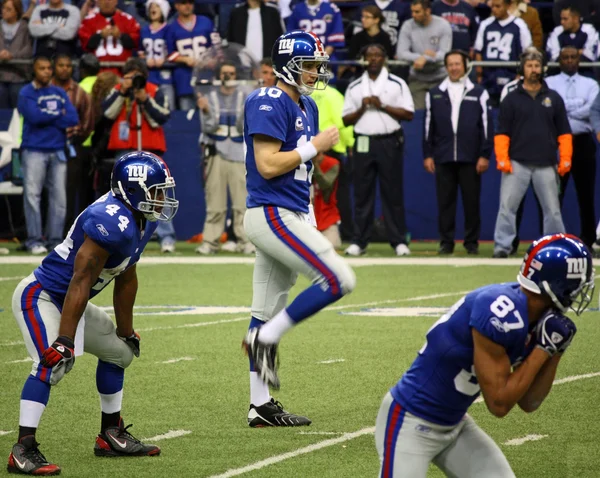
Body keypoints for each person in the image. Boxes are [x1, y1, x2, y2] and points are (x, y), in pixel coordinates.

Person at [7, 151, 179, 476]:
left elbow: (126, 275)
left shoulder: (142, 220)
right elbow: (81, 278)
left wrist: (126, 330)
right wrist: (64, 340)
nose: (162, 199)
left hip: (74, 300)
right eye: (157, 191)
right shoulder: (111, 220)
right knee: (53, 362)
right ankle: (22, 448)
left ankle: (110, 434)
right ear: (136, 190)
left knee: (119, 353)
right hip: (43, 296)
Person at [375, 233, 594, 478]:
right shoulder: (499, 311)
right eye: (578, 284)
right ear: (556, 284)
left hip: (454, 425)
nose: (579, 292)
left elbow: (530, 402)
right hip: (410, 420)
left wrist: (554, 352)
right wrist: (543, 349)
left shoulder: (538, 319)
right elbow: (499, 404)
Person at [242, 30, 356, 426]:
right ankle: (269, 337)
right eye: (309, 65)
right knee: (339, 279)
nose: (315, 73)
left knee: (265, 310)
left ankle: (259, 405)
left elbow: (297, 173)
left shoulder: (305, 107)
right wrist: (314, 147)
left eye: (317, 66)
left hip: (289, 211)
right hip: (271, 212)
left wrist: (307, 213)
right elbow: (268, 164)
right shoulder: (268, 98)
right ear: (288, 65)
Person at [493, 48, 571, 258]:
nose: (534, 70)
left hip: (546, 163)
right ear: (522, 69)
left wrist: (565, 158)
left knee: (553, 211)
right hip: (517, 163)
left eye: (537, 66)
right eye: (529, 66)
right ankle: (502, 247)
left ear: (542, 68)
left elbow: (564, 132)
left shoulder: (554, 98)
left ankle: (556, 248)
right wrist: (502, 158)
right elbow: (502, 132)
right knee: (507, 208)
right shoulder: (511, 99)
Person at [342, 43, 415, 256]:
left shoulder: (396, 83)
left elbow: (409, 114)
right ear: (364, 59)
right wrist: (363, 106)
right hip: (363, 140)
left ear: (385, 59)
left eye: (377, 55)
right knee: (363, 193)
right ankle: (359, 241)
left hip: (389, 141)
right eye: (369, 55)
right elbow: (345, 119)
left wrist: (382, 105)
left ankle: (399, 241)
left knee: (392, 192)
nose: (373, 59)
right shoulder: (355, 86)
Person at [102, 57, 175, 253]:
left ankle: (166, 237)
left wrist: (145, 98)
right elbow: (107, 113)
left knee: (159, 193)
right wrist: (123, 91)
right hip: (125, 149)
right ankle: (118, 234)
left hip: (150, 149)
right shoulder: (118, 90)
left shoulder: (154, 90)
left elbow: (162, 116)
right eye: (129, 77)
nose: (134, 81)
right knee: (121, 194)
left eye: (137, 77)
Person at [423, 50, 492, 255]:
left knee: (471, 202)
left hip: (470, 157)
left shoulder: (479, 92)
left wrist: (484, 155)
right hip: (443, 157)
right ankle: (446, 242)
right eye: (450, 64)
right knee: (445, 203)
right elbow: (428, 127)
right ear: (446, 67)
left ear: (465, 66)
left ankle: (471, 243)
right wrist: (428, 154)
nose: (454, 68)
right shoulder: (434, 93)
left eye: (457, 64)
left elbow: (487, 127)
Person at [18, 56, 79, 255]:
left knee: (59, 199)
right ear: (34, 70)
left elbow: (72, 118)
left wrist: (48, 115)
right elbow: (34, 118)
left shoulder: (59, 92)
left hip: (57, 150)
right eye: (41, 68)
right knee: (32, 196)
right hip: (34, 150)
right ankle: (34, 240)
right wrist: (57, 115)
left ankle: (54, 241)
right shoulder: (26, 92)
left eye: (48, 68)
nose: (46, 71)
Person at [195, 61, 254, 255]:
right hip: (216, 152)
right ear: (219, 75)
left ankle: (246, 241)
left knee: (241, 202)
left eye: (231, 72)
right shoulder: (209, 96)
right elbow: (208, 128)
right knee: (215, 202)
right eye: (224, 73)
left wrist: (246, 109)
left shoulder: (245, 95)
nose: (228, 76)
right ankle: (210, 242)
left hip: (238, 152)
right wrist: (205, 110)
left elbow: (242, 128)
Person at [546, 46, 599, 249]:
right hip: (557, 144)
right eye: (565, 57)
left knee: (586, 194)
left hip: (583, 142)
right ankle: (553, 238)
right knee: (554, 195)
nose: (569, 60)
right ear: (559, 60)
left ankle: (588, 238)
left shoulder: (591, 83)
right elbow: (551, 109)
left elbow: (592, 109)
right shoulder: (550, 82)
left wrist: (563, 111)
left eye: (573, 57)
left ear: (579, 59)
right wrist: (573, 110)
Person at [51, 54, 95, 235]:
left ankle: (65, 235)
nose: (64, 69)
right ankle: (46, 233)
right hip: (45, 145)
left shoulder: (80, 93)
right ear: (55, 67)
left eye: (68, 65)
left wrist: (75, 139)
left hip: (72, 147)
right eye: (61, 65)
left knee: (69, 193)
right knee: (46, 192)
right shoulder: (43, 90)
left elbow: (88, 122)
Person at [397, 0, 452, 110]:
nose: (413, 15)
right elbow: (401, 53)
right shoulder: (408, 25)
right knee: (416, 114)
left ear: (427, 11)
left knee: (441, 112)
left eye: (417, 12)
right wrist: (421, 57)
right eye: (412, 11)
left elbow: (445, 53)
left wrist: (427, 58)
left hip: (440, 78)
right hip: (417, 78)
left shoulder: (443, 25)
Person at [166, 0, 220, 110]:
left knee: (210, 116)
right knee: (187, 117)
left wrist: (213, 59)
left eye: (190, 2)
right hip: (185, 78)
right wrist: (184, 59)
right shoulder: (172, 28)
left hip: (206, 76)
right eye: (183, 3)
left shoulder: (206, 22)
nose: (187, 6)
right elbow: (169, 53)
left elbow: (217, 47)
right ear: (177, 5)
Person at [474, 0, 531, 105]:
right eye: (493, 6)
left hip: (511, 75)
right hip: (488, 76)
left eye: (498, 6)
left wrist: (519, 75)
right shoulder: (485, 24)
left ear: (508, 6)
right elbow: (478, 51)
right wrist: (479, 75)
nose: (494, 9)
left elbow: (526, 53)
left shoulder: (519, 25)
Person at [78, 0, 141, 76]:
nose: (107, 2)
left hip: (122, 73)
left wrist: (120, 35)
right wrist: (100, 36)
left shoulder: (128, 20)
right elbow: (85, 44)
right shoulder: (88, 20)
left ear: (116, 2)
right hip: (96, 73)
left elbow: (135, 43)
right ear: (98, 2)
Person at [226, 0, 285, 66]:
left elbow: (280, 40)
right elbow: (231, 41)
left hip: (267, 65)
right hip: (242, 65)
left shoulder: (272, 12)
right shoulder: (236, 13)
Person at [139, 0, 174, 110]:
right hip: (149, 77)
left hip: (165, 76)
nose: (153, 9)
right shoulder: (144, 30)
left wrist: (164, 60)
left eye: (157, 7)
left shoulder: (168, 30)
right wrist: (144, 59)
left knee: (168, 108)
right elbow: (140, 51)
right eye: (151, 7)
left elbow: (173, 51)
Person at [0, 0, 33, 109]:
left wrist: (12, 55)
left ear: (17, 12)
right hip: (1, 75)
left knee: (18, 110)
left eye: (8, 9)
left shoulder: (24, 27)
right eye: (3, 8)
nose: (4, 11)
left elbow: (28, 49)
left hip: (19, 76)